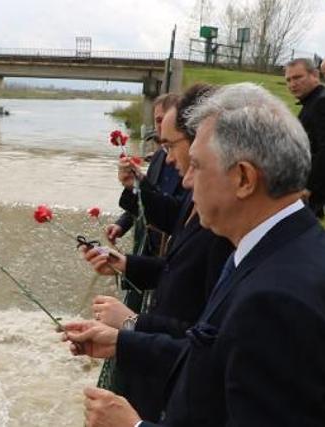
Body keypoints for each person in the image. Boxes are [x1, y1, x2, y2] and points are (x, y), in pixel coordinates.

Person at [64, 83, 325, 426]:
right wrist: (122, 343)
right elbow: (216, 356)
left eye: (197, 165)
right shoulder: (285, 249)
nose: (185, 181)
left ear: (243, 178)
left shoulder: (276, 299)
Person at [87, 84, 233, 422]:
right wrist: (124, 263)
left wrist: (132, 322)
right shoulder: (198, 201)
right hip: (162, 360)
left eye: (171, 146)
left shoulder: (224, 229)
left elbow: (206, 341)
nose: (168, 161)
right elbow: (174, 267)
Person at [106, 93, 183, 255]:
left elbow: (179, 211)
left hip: (169, 251)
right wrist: (122, 225)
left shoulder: (190, 161)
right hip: (145, 247)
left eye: (164, 120)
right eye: (157, 121)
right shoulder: (158, 156)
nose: (160, 127)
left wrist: (140, 183)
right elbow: (146, 195)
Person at [285, 58, 325, 228]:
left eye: (298, 77)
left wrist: (310, 187)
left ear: (315, 75)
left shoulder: (322, 102)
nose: (292, 84)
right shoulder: (314, 100)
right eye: (288, 80)